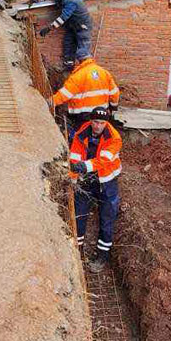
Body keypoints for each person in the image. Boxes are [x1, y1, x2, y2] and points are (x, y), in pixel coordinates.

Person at [69, 105, 121, 272]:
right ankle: (77, 251)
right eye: (95, 122)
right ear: (90, 121)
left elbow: (103, 161)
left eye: (101, 123)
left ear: (106, 123)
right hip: (86, 179)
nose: (98, 126)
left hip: (107, 182)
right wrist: (73, 178)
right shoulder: (82, 132)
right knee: (79, 214)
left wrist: (84, 166)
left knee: (107, 218)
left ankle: (102, 256)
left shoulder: (114, 137)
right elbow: (75, 157)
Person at [50, 55, 120, 139]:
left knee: (80, 137)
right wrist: (113, 107)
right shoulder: (104, 72)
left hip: (83, 114)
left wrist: (51, 101)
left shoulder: (78, 76)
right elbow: (115, 93)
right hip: (101, 112)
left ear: (78, 61)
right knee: (98, 136)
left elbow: (64, 94)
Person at [29, 0, 93, 66]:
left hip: (82, 25)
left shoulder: (70, 0)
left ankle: (86, 67)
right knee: (68, 42)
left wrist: (49, 28)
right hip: (72, 24)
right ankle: (69, 65)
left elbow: (63, 17)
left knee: (83, 46)